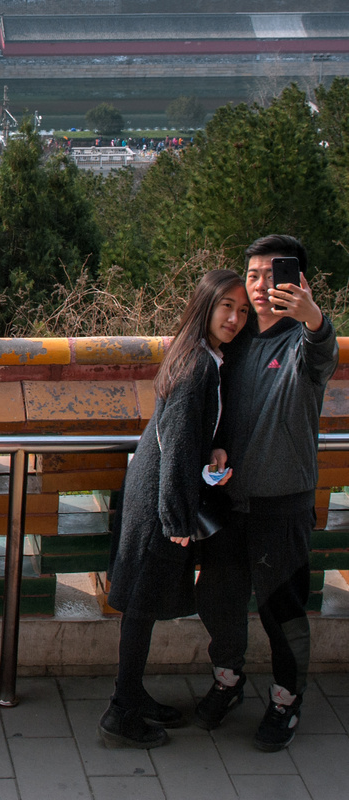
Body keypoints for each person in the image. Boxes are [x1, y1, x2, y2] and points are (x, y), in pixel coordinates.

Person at [194, 235, 338, 752]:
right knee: (219, 599)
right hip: (228, 501)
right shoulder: (234, 339)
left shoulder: (302, 341)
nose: (258, 286)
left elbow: (324, 354)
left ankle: (286, 699)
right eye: (251, 275)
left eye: (270, 275)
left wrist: (315, 318)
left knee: (283, 610)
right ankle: (228, 680)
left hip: (283, 504)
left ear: (296, 282)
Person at [99, 270, 250, 749]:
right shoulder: (197, 367)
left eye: (243, 310)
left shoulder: (200, 356)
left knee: (142, 607)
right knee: (141, 608)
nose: (235, 317)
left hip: (159, 498)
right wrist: (177, 520)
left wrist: (216, 451)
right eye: (226, 305)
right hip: (161, 508)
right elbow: (179, 447)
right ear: (205, 305)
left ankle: (132, 695)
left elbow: (189, 439)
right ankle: (121, 711)